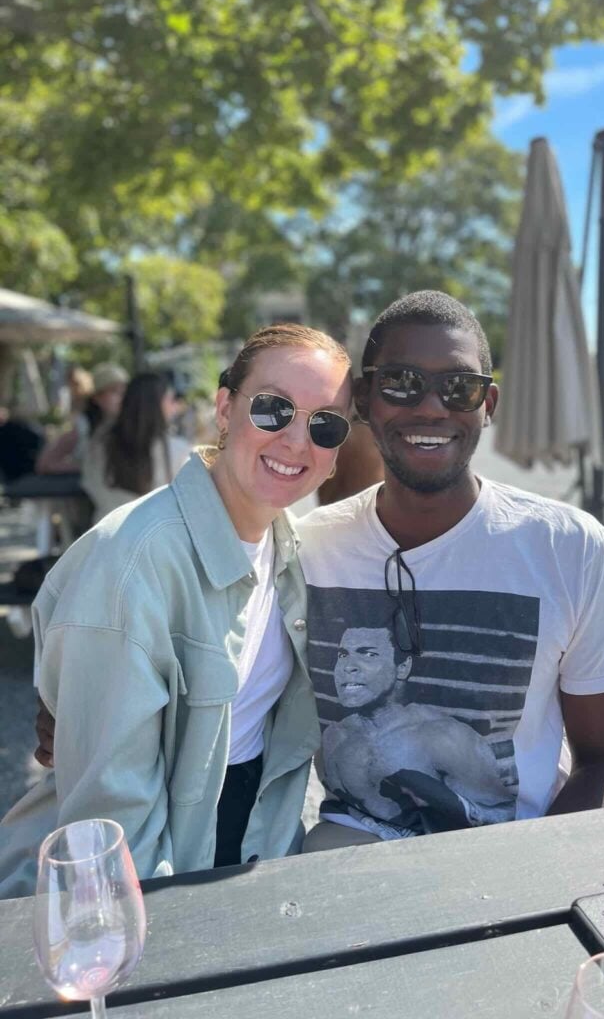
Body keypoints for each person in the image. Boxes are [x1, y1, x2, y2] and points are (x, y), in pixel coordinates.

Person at [0, 323, 353, 899]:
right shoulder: (132, 563)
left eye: (325, 424)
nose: (296, 440)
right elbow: (113, 824)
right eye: (273, 409)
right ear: (224, 408)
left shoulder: (294, 549)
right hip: (149, 878)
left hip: (250, 848)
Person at [297, 290, 604, 852]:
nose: (433, 407)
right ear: (363, 399)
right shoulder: (309, 546)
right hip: (349, 847)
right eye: (402, 382)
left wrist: (542, 869)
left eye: (460, 387)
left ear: (489, 403)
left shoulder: (569, 546)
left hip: (516, 852)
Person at [322, 626, 517, 836]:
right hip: (366, 840)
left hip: (455, 846)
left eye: (369, 654)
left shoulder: (443, 737)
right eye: (343, 655)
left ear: (403, 667)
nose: (348, 667)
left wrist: (438, 798)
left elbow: (502, 818)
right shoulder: (336, 736)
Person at [81, 371, 191, 522]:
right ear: (157, 404)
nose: (175, 407)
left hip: (106, 528)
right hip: (154, 531)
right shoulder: (178, 450)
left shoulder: (100, 442)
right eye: (171, 400)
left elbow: (89, 484)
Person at [36, 362, 128, 475]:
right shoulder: (83, 427)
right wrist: (84, 468)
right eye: (114, 391)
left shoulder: (130, 425)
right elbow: (45, 463)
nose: (122, 397)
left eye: (125, 392)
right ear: (97, 397)